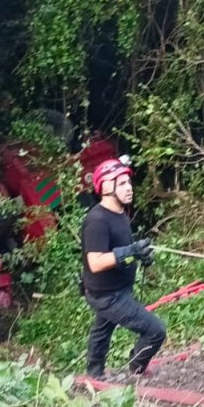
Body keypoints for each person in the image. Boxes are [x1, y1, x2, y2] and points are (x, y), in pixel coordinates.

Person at [81, 157, 165, 380]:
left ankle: (94, 373)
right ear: (107, 188)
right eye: (122, 184)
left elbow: (121, 250)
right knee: (155, 331)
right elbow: (96, 262)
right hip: (107, 295)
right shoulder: (97, 220)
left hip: (117, 289)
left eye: (129, 182)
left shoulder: (119, 214)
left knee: (102, 329)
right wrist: (129, 252)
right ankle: (136, 368)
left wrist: (139, 256)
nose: (129, 188)